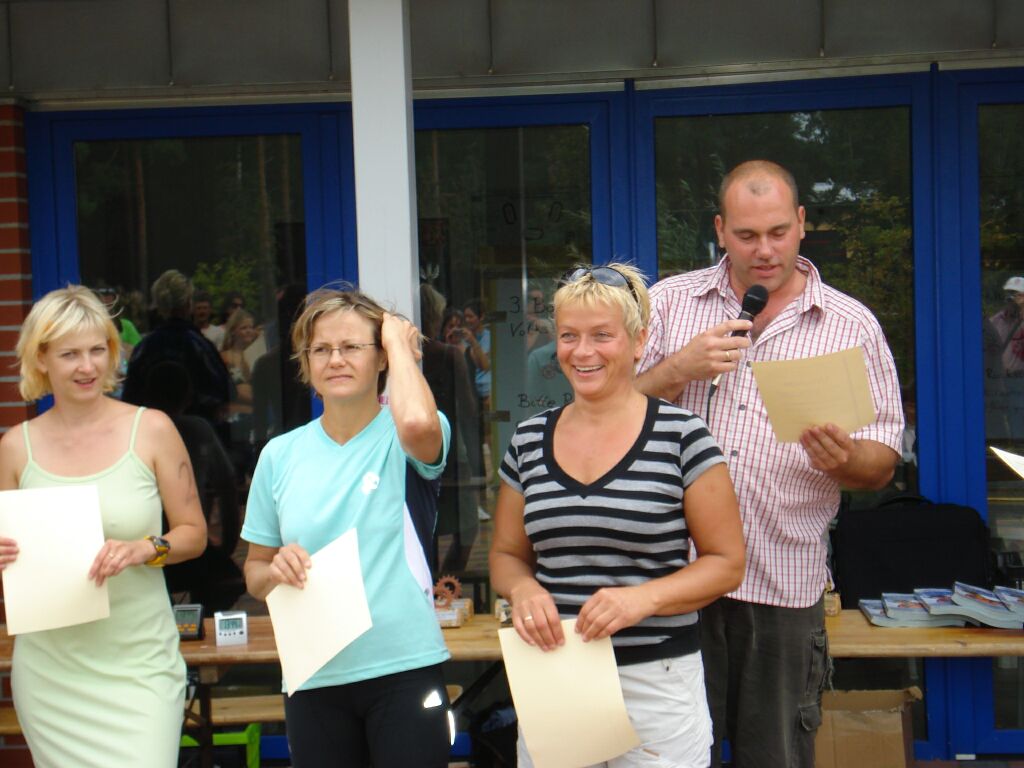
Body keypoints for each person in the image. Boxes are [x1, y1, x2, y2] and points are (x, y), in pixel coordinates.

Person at [636, 160, 904, 768]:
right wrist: (677, 370)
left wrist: (846, 458)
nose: (764, 250)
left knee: (776, 755)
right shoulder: (669, 304)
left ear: (802, 223)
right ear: (719, 230)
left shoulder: (850, 324)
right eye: (747, 235)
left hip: (782, 582)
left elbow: (882, 464)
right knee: (669, 757)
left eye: (778, 232)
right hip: (673, 577)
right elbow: (601, 413)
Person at [490, 263, 745, 768]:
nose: (582, 352)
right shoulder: (529, 439)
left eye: (601, 335)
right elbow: (505, 554)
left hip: (657, 680)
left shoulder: (683, 435)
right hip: (558, 674)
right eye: (569, 336)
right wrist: (522, 590)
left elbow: (727, 562)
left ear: (639, 341)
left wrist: (642, 599)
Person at [241, 286, 454, 768]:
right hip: (314, 671)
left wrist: (399, 343)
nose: (335, 359)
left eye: (352, 346)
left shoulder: (405, 432)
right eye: (321, 349)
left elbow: (419, 425)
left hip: (404, 666)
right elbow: (254, 572)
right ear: (306, 363)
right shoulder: (279, 455)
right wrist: (275, 569)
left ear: (380, 358)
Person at [0, 285, 207, 767]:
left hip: (140, 666)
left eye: (97, 350)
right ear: (41, 358)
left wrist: (144, 549)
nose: (87, 366)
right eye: (70, 354)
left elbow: (194, 533)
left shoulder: (152, 428)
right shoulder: (14, 447)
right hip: (51, 674)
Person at [122, 269, 232, 430]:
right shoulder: (199, 345)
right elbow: (224, 392)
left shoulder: (145, 348)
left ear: (159, 305)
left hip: (151, 433)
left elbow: (129, 399)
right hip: (197, 434)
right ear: (188, 303)